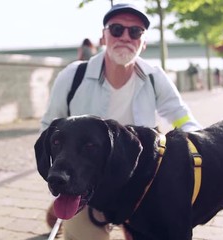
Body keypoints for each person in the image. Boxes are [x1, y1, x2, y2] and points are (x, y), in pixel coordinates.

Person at [40, 3, 202, 240]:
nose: (125, 37)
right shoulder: (73, 76)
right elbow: (49, 127)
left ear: (143, 43)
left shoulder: (155, 77)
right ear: (104, 37)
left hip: (138, 181)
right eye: (116, 29)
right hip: (85, 181)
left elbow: (181, 115)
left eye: (135, 32)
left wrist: (202, 145)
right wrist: (58, 173)